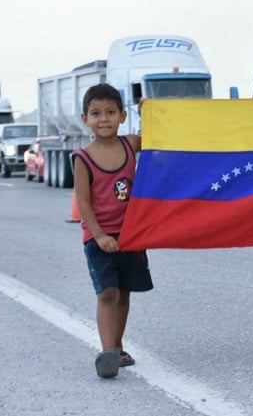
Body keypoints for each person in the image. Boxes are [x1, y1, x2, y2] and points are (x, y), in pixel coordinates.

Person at [72, 83, 152, 378]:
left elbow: (155, 137)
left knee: (124, 293)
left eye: (110, 112)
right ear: (85, 119)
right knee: (107, 293)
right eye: (95, 113)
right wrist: (99, 236)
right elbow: (83, 201)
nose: (103, 119)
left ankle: (117, 347)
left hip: (131, 235)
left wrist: (148, 112)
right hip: (99, 238)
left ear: (121, 116)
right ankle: (108, 353)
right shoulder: (83, 158)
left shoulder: (129, 144)